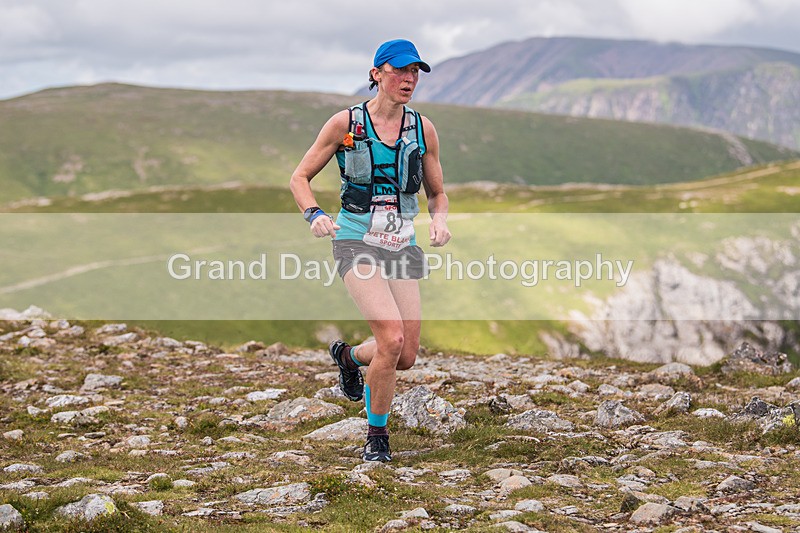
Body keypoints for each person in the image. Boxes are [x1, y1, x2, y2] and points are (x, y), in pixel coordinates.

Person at [289, 39, 450, 462]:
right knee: (391, 338)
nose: (409, 79)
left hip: (401, 244)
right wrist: (313, 213)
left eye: (415, 72)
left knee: (405, 355)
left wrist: (439, 219)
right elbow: (299, 177)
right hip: (355, 239)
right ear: (377, 74)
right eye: (400, 71)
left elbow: (437, 193)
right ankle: (377, 437)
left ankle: (347, 357)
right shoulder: (345, 123)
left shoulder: (423, 128)